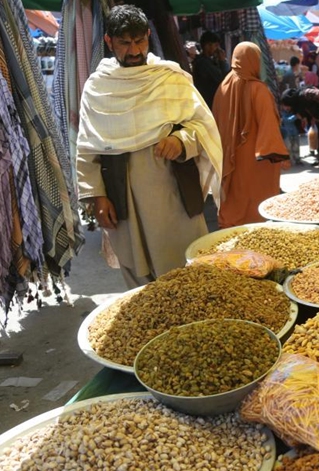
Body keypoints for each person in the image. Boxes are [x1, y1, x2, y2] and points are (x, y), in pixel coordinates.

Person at [76, 5, 222, 288]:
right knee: (140, 283)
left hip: (173, 196)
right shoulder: (97, 87)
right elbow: (86, 148)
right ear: (109, 42)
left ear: (147, 36)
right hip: (124, 199)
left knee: (189, 275)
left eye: (139, 41)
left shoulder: (170, 78)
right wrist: (97, 196)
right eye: (125, 43)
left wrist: (181, 142)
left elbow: (204, 127)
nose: (134, 51)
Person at [212, 42, 290, 229]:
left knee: (235, 196)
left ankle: (231, 231)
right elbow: (268, 124)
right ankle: (256, 233)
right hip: (257, 159)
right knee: (257, 202)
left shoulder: (223, 85)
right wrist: (279, 154)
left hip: (230, 155)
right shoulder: (258, 89)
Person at [192, 31, 229, 109]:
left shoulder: (207, 61)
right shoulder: (203, 63)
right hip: (209, 103)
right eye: (215, 46)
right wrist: (222, 61)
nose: (217, 49)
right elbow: (223, 79)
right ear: (207, 46)